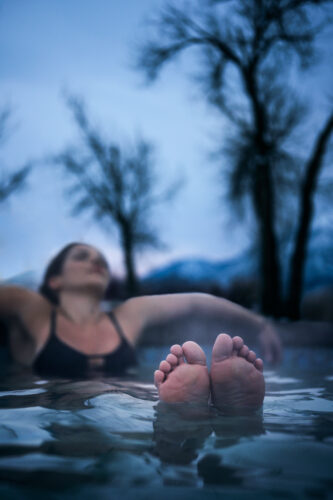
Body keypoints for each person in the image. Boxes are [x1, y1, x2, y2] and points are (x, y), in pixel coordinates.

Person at [0, 242, 281, 412]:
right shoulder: (32, 308)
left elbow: (195, 303)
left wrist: (258, 322)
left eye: (100, 258)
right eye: (81, 256)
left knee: (144, 401)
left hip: (125, 407)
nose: (96, 261)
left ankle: (196, 416)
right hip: (52, 412)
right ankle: (182, 430)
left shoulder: (126, 316)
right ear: (55, 281)